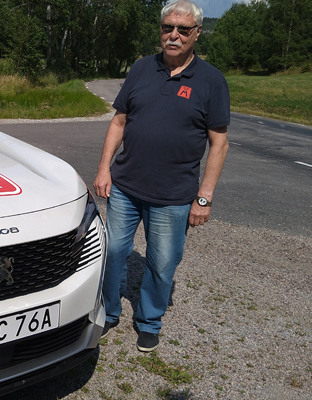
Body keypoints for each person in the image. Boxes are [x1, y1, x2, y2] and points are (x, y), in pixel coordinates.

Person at [93, 0, 230, 352]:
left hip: (174, 196)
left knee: (162, 262)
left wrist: (204, 197)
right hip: (125, 186)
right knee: (113, 252)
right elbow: (119, 121)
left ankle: (149, 321)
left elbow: (219, 145)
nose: (173, 35)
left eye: (183, 30)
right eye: (167, 27)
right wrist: (104, 167)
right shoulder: (141, 68)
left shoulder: (212, 81)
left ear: (197, 33)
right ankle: (108, 313)